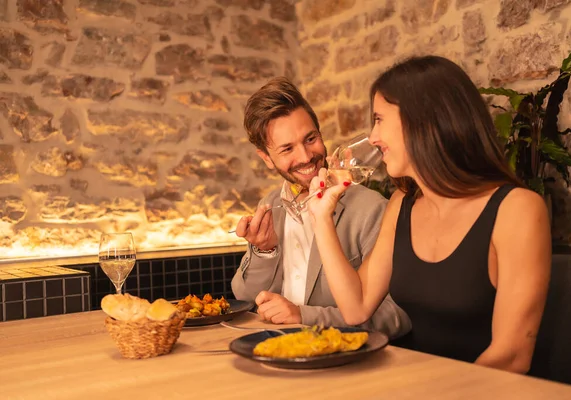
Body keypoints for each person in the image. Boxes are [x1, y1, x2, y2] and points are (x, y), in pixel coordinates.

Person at [307, 56, 551, 373]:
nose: (374, 136)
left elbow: (512, 355)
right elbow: (356, 308)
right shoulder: (402, 204)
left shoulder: (517, 209)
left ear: (421, 119)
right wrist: (321, 218)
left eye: (379, 119)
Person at [231, 76, 411, 339]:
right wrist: (264, 251)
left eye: (310, 138)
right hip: (280, 355)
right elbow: (245, 300)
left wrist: (304, 316)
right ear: (266, 158)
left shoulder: (371, 209)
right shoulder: (270, 205)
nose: (305, 157)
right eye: (287, 149)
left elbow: (396, 317)